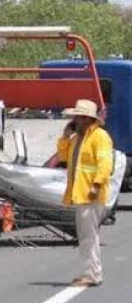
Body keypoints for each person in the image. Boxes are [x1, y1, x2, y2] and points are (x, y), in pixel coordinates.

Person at [56, 99, 114, 287]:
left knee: (88, 235)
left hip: (91, 193)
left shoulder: (100, 136)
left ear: (87, 119)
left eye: (77, 117)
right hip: (80, 193)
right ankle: (90, 272)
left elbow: (105, 163)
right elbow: (63, 158)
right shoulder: (77, 139)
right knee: (86, 234)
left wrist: (96, 185)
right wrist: (65, 137)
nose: (74, 121)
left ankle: (93, 274)